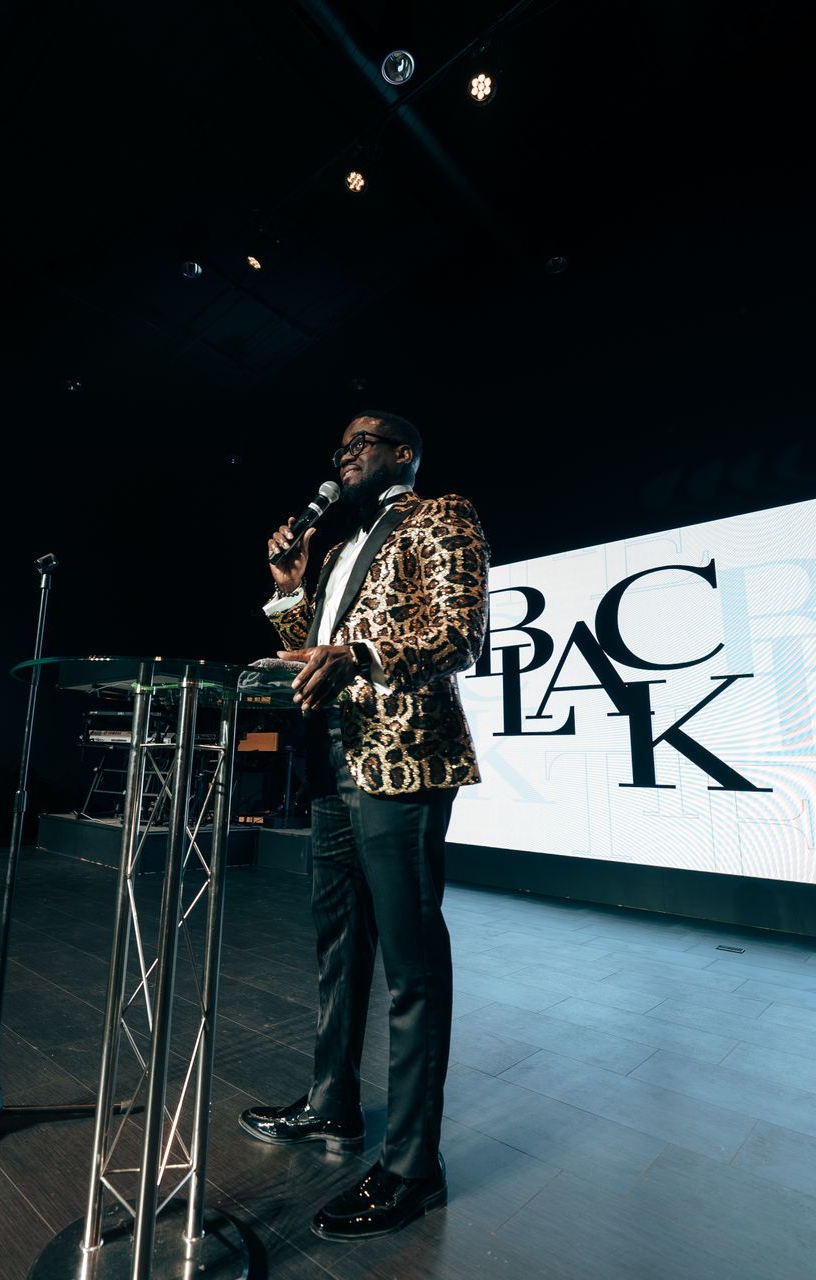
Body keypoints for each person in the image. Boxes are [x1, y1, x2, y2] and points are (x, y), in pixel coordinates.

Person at [239, 411, 489, 1241]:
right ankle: (332, 1104)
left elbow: (460, 635)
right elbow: (310, 652)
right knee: (339, 947)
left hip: (403, 758)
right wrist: (289, 589)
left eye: (360, 444)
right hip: (334, 760)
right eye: (339, 448)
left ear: (402, 453)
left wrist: (363, 653)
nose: (343, 457)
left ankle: (414, 1166)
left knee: (410, 966)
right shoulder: (340, 545)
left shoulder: (441, 514)